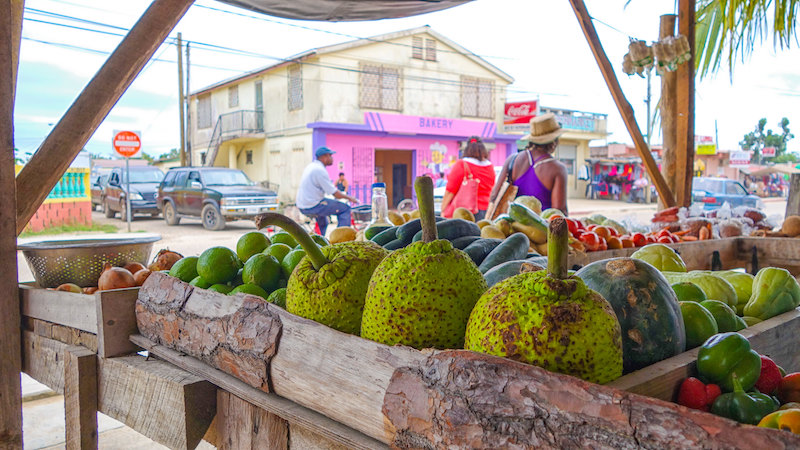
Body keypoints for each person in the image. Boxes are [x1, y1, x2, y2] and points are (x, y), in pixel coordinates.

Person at [489, 113, 568, 214]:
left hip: (509, 227)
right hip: (540, 229)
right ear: (554, 140)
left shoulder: (512, 159)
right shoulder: (558, 168)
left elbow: (494, 195)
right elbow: (558, 211)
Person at [296, 147, 358, 236]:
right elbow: (335, 193)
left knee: (324, 222)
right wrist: (350, 198)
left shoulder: (312, 166)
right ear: (324, 157)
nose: (332, 158)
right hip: (313, 205)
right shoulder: (319, 170)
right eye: (330, 156)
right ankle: (341, 239)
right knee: (345, 209)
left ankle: (318, 240)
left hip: (304, 204)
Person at [440, 136, 496, 221]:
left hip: (466, 211)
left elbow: (450, 190)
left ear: (467, 150)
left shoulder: (462, 164)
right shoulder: (490, 167)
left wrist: (443, 209)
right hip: (486, 210)